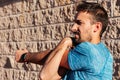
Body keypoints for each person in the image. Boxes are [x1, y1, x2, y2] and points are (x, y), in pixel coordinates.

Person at [15, 1, 113, 80]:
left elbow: (45, 76)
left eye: (79, 23)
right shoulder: (106, 54)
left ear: (96, 27)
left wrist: (25, 56)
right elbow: (56, 69)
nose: (73, 28)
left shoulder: (86, 50)